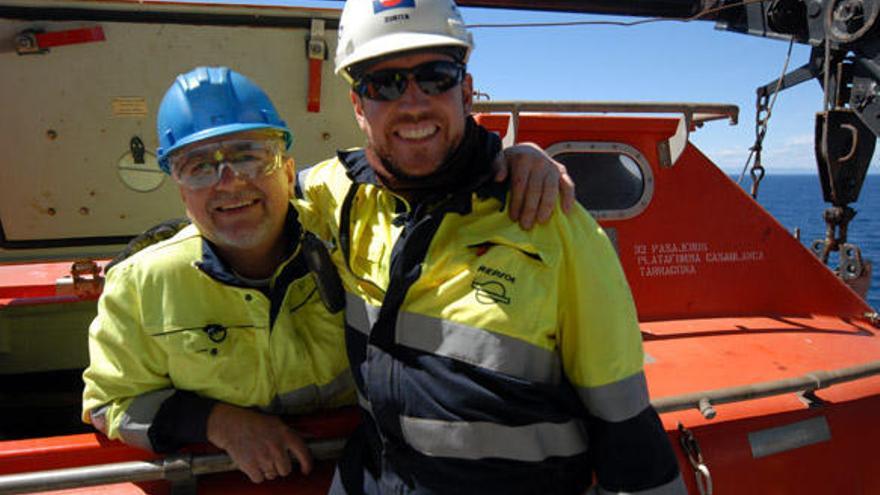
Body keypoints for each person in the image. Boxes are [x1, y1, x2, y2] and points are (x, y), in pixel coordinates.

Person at [81, 66, 574, 484]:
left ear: (289, 167)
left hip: (368, 470)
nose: (229, 182)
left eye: (251, 156)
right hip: (226, 478)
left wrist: (505, 161)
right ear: (178, 188)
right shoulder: (142, 285)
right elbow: (109, 404)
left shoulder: (348, 235)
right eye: (197, 166)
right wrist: (217, 422)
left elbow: (417, 179)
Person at [293, 0, 687, 494]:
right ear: (358, 106)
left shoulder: (553, 223)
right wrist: (203, 416)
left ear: (466, 91)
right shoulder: (341, 194)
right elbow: (241, 202)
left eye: (435, 76)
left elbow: (626, 428)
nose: (413, 102)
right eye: (384, 83)